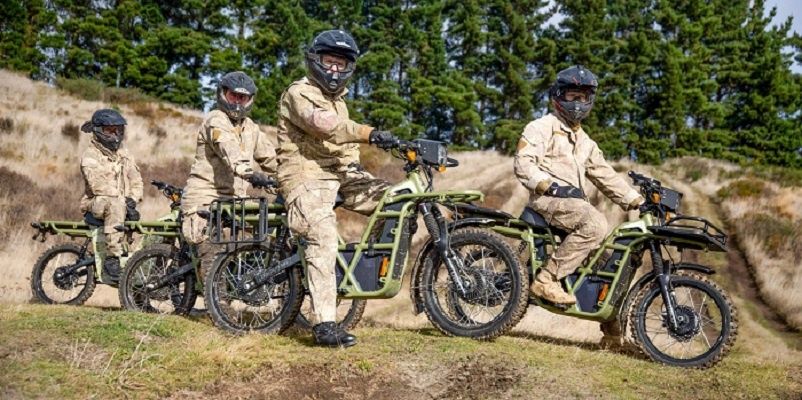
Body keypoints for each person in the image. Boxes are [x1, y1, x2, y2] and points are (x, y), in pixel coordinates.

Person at [276, 29, 399, 347]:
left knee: (398, 199)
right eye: (329, 62)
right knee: (323, 236)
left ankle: (364, 262)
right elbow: (326, 127)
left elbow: (345, 151)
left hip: (340, 175)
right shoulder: (299, 93)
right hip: (305, 177)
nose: (334, 70)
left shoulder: (339, 103)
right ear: (315, 61)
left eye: (341, 65)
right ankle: (325, 324)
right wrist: (371, 132)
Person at [514, 65, 644, 346]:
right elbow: (524, 164)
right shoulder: (541, 127)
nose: (578, 103)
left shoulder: (585, 141)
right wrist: (548, 184)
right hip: (548, 201)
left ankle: (613, 337)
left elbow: (605, 175)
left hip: (571, 208)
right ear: (558, 96)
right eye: (573, 96)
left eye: (584, 98)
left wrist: (637, 201)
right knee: (595, 223)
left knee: (611, 264)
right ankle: (546, 279)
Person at [180, 71, 276, 281]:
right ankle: (217, 303)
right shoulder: (215, 120)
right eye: (233, 96)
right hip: (205, 195)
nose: (238, 102)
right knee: (210, 245)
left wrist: (287, 177)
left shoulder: (251, 127)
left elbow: (270, 157)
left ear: (250, 100)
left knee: (265, 237)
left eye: (243, 98)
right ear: (223, 94)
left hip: (235, 200)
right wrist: (249, 173)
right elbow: (228, 149)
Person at [79, 109, 143, 283]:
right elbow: (98, 186)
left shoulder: (124, 153)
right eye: (110, 130)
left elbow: (137, 181)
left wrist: (132, 200)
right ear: (99, 131)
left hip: (118, 204)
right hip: (95, 204)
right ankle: (112, 259)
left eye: (119, 130)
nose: (115, 134)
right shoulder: (90, 155)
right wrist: (122, 202)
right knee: (115, 203)